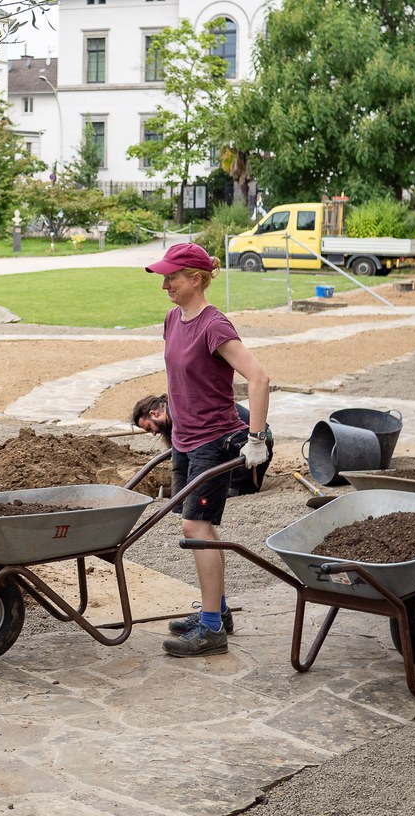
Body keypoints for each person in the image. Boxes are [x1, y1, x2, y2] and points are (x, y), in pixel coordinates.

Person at [145, 242, 271, 658]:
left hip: (213, 440)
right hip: (184, 438)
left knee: (195, 528)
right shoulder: (172, 319)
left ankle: (213, 628)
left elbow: (258, 378)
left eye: (172, 278)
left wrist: (255, 439)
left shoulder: (214, 325)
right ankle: (217, 610)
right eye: (164, 278)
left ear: (196, 279)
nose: (165, 284)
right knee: (197, 526)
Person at [132, 393, 271, 498]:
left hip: (252, 442)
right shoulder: (178, 407)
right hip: (238, 440)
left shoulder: (180, 415)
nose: (154, 434)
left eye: (150, 428)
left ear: (154, 413)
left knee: (233, 495)